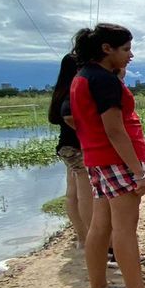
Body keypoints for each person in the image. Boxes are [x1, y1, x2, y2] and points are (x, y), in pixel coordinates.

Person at [70, 23, 145, 288]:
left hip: (97, 159)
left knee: (100, 225)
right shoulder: (104, 80)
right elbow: (115, 130)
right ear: (107, 49)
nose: (131, 55)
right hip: (116, 160)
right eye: (126, 49)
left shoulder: (82, 77)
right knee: (125, 229)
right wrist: (137, 171)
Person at [48, 54, 91, 250]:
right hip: (79, 147)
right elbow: (69, 117)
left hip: (66, 148)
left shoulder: (61, 91)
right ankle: (89, 239)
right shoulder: (73, 92)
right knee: (86, 194)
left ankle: (82, 237)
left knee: (72, 193)